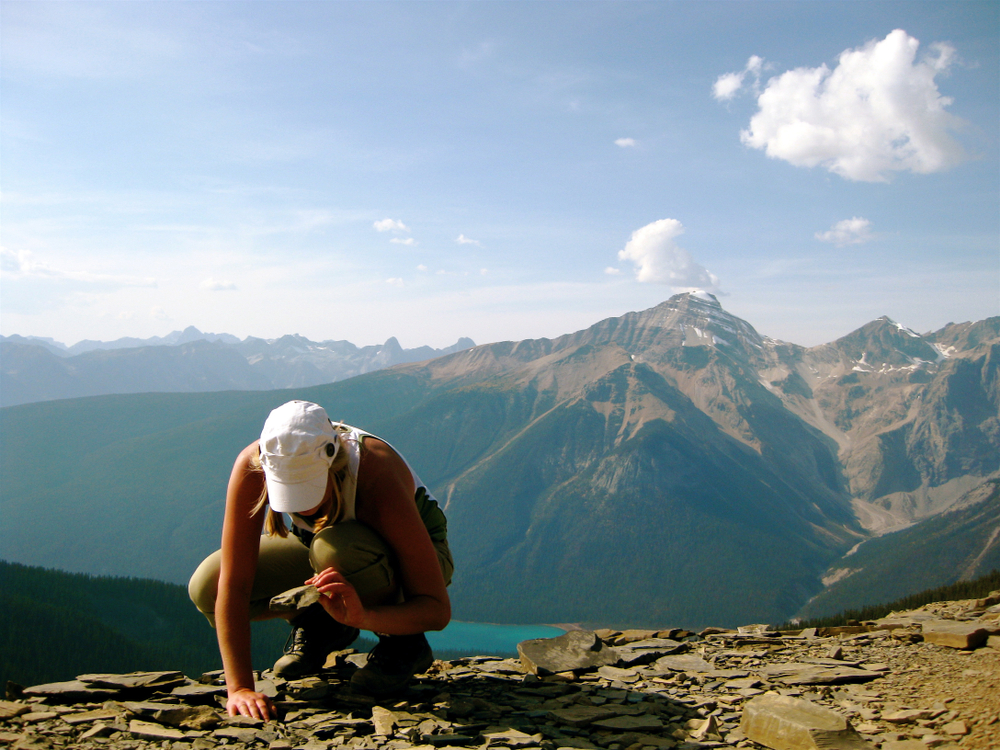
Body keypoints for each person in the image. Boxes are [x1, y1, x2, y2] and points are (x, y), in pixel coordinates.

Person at [189, 400, 453, 720]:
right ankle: (323, 624)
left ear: (333, 460)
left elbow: (436, 610)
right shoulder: (254, 463)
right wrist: (240, 688)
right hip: (319, 549)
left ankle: (404, 644)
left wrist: (363, 616)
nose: (300, 508)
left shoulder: (373, 470)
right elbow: (233, 584)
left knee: (334, 550)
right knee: (209, 586)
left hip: (418, 559)